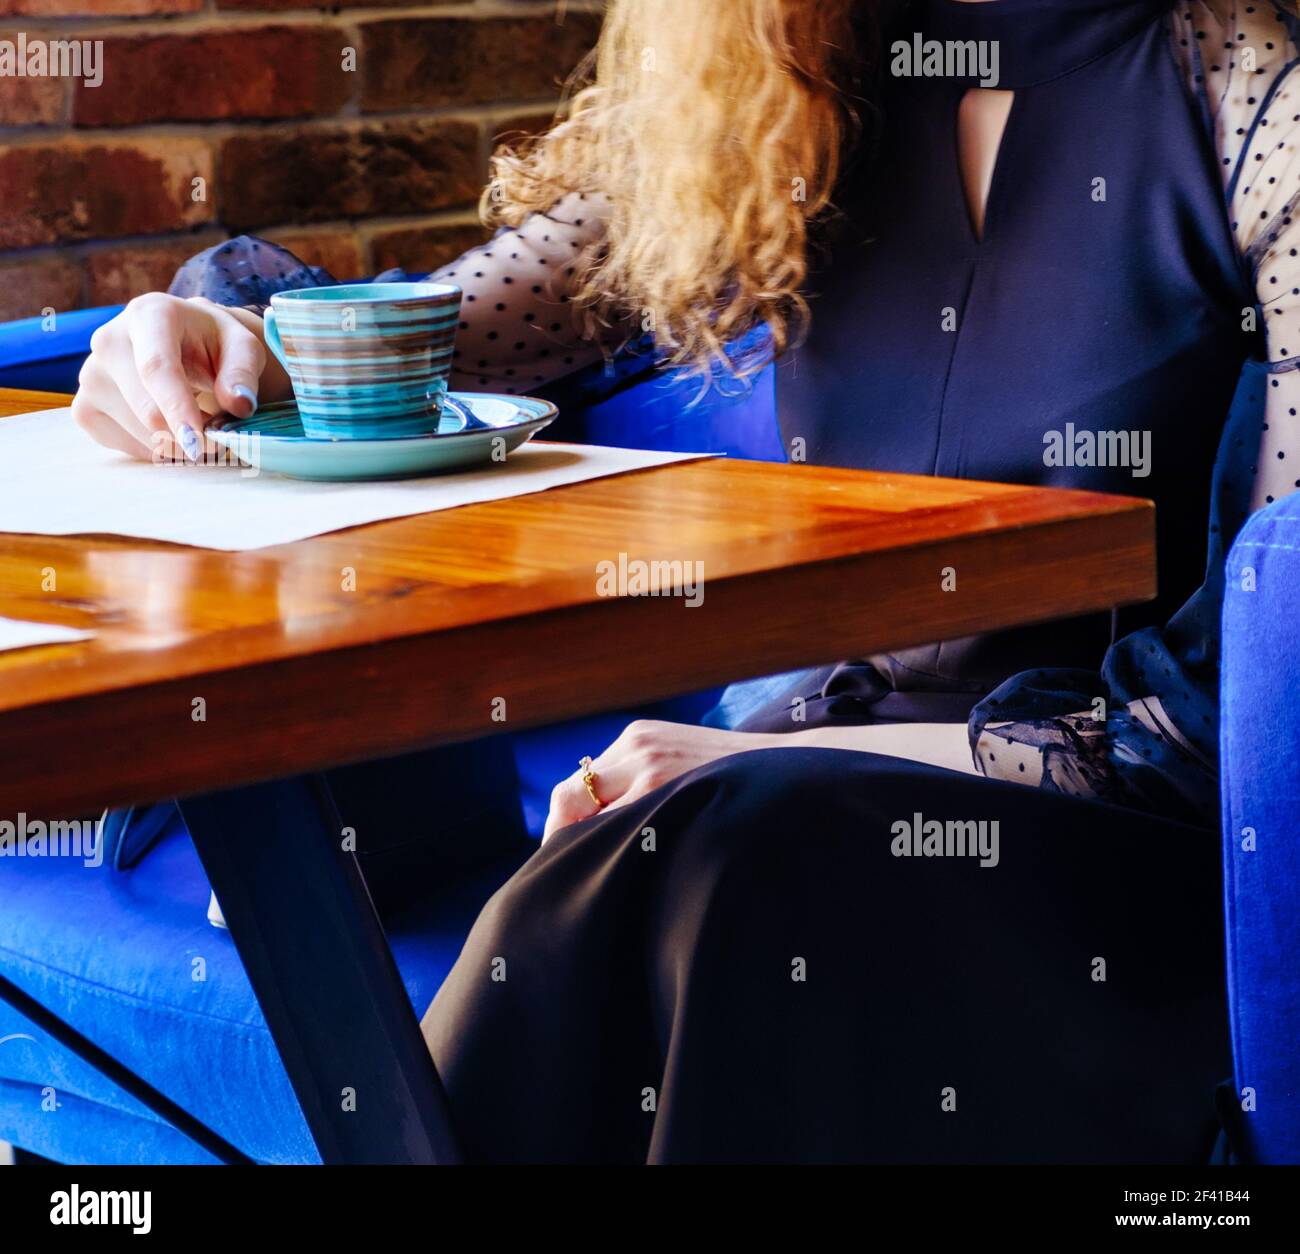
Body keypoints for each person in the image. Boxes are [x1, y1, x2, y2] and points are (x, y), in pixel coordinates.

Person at [71, 0, 1300, 1161]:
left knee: (711, 856)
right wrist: (222, 347)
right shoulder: (791, 71)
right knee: (665, 864)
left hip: (1121, 853)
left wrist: (780, 764)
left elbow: (1223, 716)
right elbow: (434, 335)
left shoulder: (1253, 89)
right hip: (779, 797)